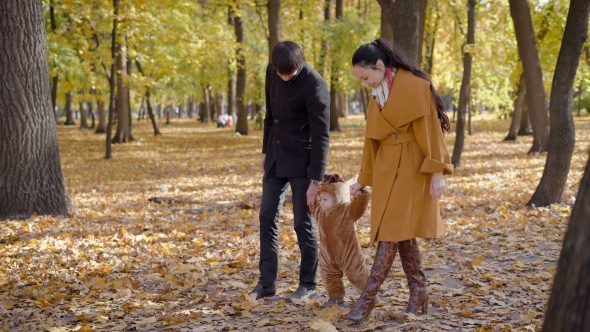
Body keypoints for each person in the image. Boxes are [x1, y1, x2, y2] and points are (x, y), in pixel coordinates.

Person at [344, 38, 453, 322]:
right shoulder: (377, 94)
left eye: (365, 76)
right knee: (400, 232)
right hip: (386, 168)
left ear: (380, 66)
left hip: (413, 166)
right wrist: (363, 180)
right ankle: (419, 293)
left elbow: (430, 129)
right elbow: (371, 141)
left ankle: (366, 302)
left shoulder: (416, 87)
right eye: (361, 79)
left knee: (390, 232)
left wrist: (438, 169)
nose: (364, 83)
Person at [251, 41, 330, 301]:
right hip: (275, 158)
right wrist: (265, 151)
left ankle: (308, 284)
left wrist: (315, 180)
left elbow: (321, 136)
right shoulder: (271, 72)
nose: (284, 77)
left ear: (300, 65)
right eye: (280, 72)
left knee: (302, 223)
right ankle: (266, 283)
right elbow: (269, 115)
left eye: (289, 74)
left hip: (303, 163)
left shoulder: (315, 84)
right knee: (267, 218)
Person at [308, 174, 372, 307]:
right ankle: (335, 298)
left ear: (338, 197)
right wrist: (313, 197)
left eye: (325, 199)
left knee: (358, 275)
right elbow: (313, 205)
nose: (322, 202)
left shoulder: (347, 210)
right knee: (330, 277)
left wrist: (360, 196)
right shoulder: (321, 212)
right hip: (328, 257)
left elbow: (359, 207)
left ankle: (369, 296)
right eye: (320, 199)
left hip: (348, 254)